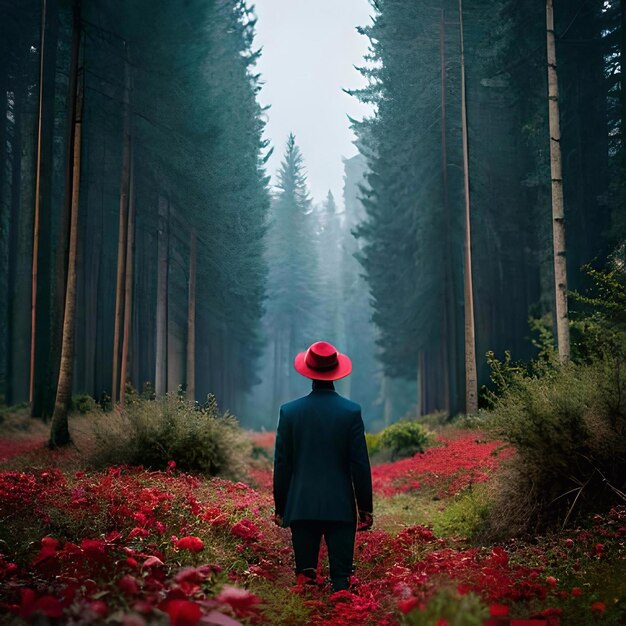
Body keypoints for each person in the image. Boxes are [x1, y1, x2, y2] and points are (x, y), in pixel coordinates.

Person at [273, 340, 373, 592]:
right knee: (342, 580)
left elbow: (282, 463)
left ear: (309, 371)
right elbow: (359, 464)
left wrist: (281, 507)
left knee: (305, 580)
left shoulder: (290, 412)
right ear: (336, 370)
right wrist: (365, 508)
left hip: (301, 506)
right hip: (340, 508)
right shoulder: (351, 412)